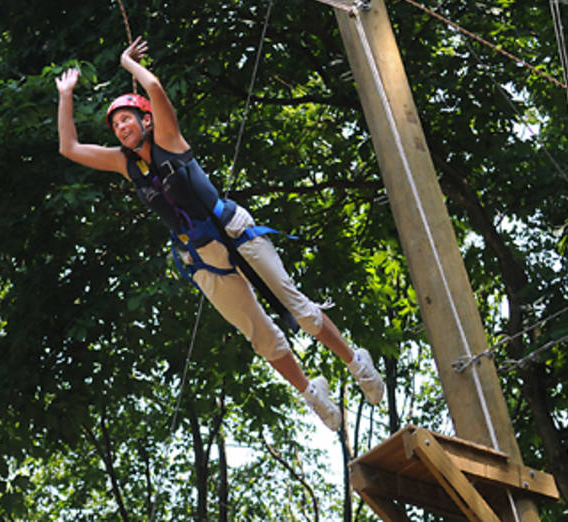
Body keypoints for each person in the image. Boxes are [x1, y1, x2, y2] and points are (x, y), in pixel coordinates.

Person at [55, 37, 384, 431]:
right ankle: (311, 393)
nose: (121, 126)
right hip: (202, 257)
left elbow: (155, 89)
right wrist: (66, 95)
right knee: (260, 336)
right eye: (115, 124)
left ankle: (355, 361)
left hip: (234, 232)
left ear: (146, 121)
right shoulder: (125, 165)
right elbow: (69, 147)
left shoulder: (168, 140)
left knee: (297, 306)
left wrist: (129, 64)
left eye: (127, 118)